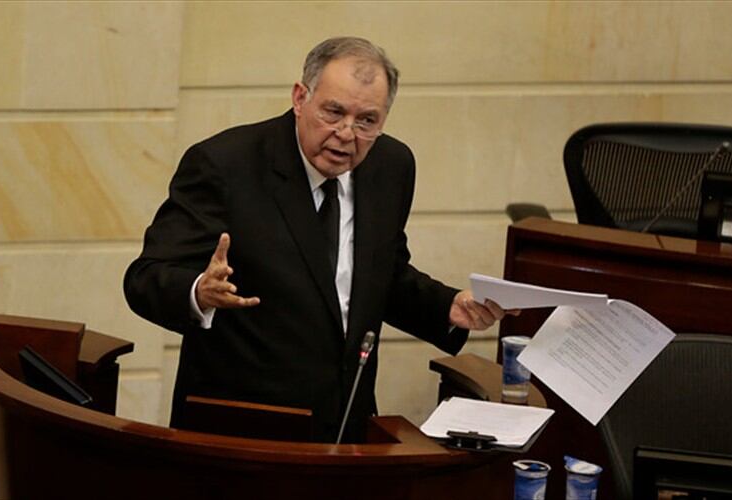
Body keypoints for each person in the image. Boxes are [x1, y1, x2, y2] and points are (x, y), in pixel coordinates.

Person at [124, 37, 514, 442]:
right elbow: (145, 277)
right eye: (333, 112)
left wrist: (447, 306)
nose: (347, 133)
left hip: (346, 423)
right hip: (243, 430)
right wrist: (198, 292)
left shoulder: (391, 166)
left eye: (367, 120)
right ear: (300, 98)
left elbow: (380, 274)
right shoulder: (225, 165)